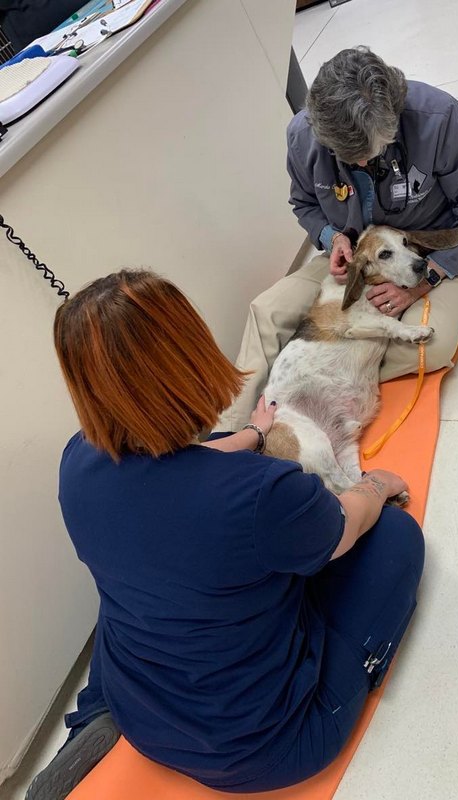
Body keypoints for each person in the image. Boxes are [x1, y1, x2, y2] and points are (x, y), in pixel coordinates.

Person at [26, 269, 424, 798]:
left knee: (139, 579)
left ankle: (96, 712)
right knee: (393, 537)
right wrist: (375, 484)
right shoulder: (267, 493)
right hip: (267, 749)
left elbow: (178, 467)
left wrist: (253, 434)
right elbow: (345, 527)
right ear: (191, 357)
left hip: (141, 711)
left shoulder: (77, 462)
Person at [218, 47, 458, 432]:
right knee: (267, 312)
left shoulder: (441, 120)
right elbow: (303, 203)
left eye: (372, 155)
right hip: (357, 259)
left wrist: (424, 282)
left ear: (395, 122)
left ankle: (307, 398)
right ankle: (229, 436)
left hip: (433, 253)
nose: (362, 167)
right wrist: (331, 237)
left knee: (431, 346)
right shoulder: (302, 136)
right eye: (347, 160)